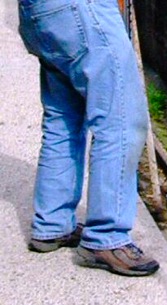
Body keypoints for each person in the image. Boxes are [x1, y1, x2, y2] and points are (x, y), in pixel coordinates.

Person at [18, 0, 159, 277]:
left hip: (38, 13)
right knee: (121, 119)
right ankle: (107, 237)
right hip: (81, 9)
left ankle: (53, 224)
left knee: (64, 116)